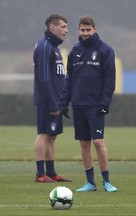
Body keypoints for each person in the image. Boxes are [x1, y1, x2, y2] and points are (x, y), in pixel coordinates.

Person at [61, 15, 117, 192]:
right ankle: (90, 183)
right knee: (84, 144)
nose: (85, 33)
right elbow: (69, 79)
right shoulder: (74, 51)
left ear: (95, 29)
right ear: (78, 30)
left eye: (88, 30)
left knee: (98, 142)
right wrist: (64, 102)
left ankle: (107, 181)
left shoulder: (105, 50)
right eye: (82, 30)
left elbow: (110, 79)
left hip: (96, 106)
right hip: (79, 105)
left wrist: (105, 102)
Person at [33, 14, 71, 183]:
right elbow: (44, 78)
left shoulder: (54, 47)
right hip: (47, 100)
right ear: (52, 27)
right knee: (43, 134)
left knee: (52, 135)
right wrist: (53, 102)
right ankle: (40, 174)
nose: (66, 30)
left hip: (55, 99)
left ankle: (51, 172)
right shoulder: (45, 47)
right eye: (63, 26)